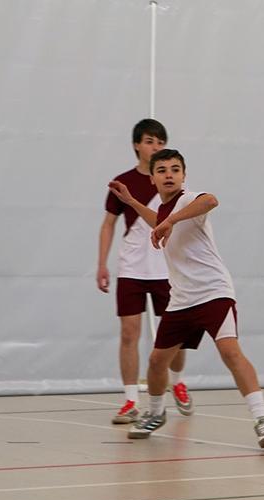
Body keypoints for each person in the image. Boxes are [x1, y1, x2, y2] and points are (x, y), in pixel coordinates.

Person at [108, 149, 264, 448]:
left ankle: (263, 419)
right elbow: (158, 220)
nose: (169, 174)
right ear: (152, 179)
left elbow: (211, 201)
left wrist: (170, 221)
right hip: (182, 299)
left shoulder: (189, 200)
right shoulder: (164, 212)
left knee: (230, 352)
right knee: (157, 361)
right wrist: (133, 203)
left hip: (213, 292)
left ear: (184, 175)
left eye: (175, 169)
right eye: (162, 170)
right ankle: (156, 413)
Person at [96, 119, 190, 424]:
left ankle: (177, 381)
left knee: (174, 335)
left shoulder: (171, 183)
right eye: (150, 141)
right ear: (137, 145)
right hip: (131, 269)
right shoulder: (122, 183)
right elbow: (108, 224)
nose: (155, 147)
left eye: (160, 142)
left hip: (165, 269)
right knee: (129, 333)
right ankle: (130, 400)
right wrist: (102, 263)